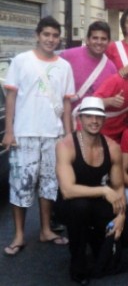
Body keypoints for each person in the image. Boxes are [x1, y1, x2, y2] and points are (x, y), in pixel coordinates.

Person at [54, 97, 128, 284]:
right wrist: (104, 191)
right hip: (71, 204)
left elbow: (118, 186)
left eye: (98, 117)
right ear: (80, 118)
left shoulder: (112, 147)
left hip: (97, 203)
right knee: (80, 208)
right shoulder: (66, 146)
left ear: (104, 120)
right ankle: (78, 266)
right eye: (89, 116)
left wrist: (120, 216)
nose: (94, 121)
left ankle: (95, 236)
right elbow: (67, 190)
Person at [3, 16, 75, 257]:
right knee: (20, 185)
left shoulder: (64, 66)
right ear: (37, 35)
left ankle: (45, 229)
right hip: (24, 133)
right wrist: (10, 131)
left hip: (53, 135)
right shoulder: (21, 61)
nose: (51, 39)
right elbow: (11, 97)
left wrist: (67, 135)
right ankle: (19, 235)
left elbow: (66, 103)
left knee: (49, 185)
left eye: (55, 36)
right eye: (46, 34)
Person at [60, 21, 118, 114]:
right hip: (65, 120)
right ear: (87, 40)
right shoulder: (67, 56)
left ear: (109, 42)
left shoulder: (112, 69)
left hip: (93, 124)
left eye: (103, 39)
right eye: (95, 38)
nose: (99, 42)